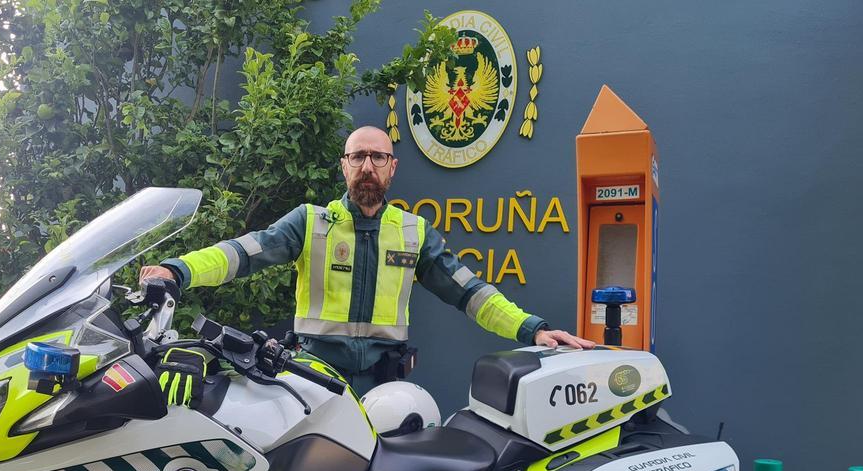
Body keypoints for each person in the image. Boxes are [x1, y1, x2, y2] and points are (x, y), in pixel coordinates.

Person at [139, 126, 594, 394]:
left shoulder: (414, 232)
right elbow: (243, 252)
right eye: (358, 156)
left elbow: (471, 293)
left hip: (384, 389)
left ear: (392, 167)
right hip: (313, 381)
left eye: (378, 157)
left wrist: (533, 329)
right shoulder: (311, 222)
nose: (368, 166)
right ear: (344, 165)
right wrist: (179, 270)